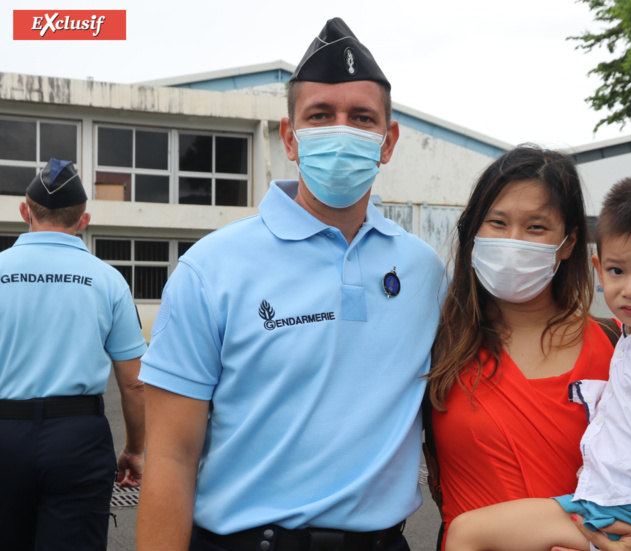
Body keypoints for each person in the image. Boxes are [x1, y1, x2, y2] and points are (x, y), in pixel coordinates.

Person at [136, 17, 445, 551]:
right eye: (320, 115)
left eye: (362, 118)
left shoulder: (425, 272)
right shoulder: (210, 269)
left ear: (388, 140)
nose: (341, 130)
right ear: (290, 137)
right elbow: (170, 457)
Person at [442, 172, 631, 551]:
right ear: (599, 269)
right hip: (615, 503)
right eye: (618, 271)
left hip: (617, 510)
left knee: (468, 534)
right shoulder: (445, 342)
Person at [0, 159, 147, 551]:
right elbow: (134, 383)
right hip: (78, 439)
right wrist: (134, 449)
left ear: (24, 212)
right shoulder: (108, 280)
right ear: (83, 221)